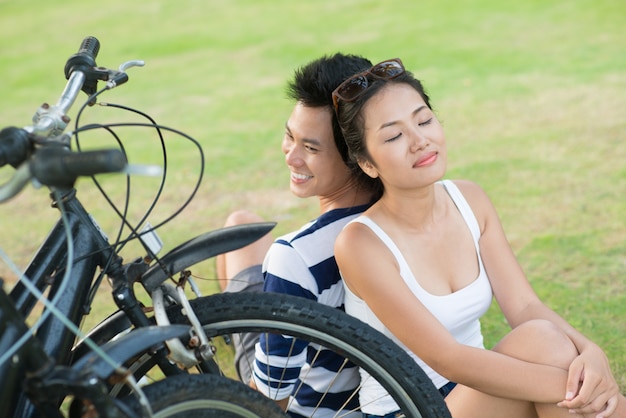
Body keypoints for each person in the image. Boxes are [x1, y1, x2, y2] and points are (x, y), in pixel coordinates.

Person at [332, 58, 626, 418]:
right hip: (411, 408)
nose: (420, 141)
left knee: (543, 337)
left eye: (424, 120)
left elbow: (525, 308)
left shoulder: (469, 199)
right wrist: (578, 386)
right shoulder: (361, 244)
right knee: (558, 362)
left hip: (480, 390)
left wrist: (591, 353)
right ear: (367, 164)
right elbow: (448, 359)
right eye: (394, 135)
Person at [216, 53, 381, 417]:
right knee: (242, 222)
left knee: (238, 229)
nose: (291, 156)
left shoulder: (296, 256)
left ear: (356, 155)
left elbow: (270, 400)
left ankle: (237, 336)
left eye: (310, 147)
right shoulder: (406, 212)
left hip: (306, 408)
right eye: (290, 137)